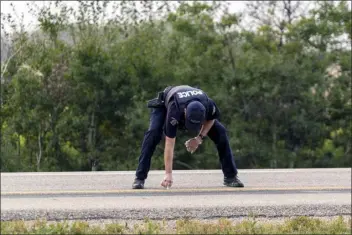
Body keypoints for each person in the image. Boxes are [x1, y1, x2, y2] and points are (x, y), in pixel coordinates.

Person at [132, 85, 244, 189]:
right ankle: (139, 178)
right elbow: (169, 143)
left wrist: (199, 138)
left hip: (193, 103)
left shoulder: (209, 104)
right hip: (165, 105)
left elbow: (211, 119)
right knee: (153, 134)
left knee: (221, 132)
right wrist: (168, 174)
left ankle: (231, 177)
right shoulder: (175, 110)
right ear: (185, 112)